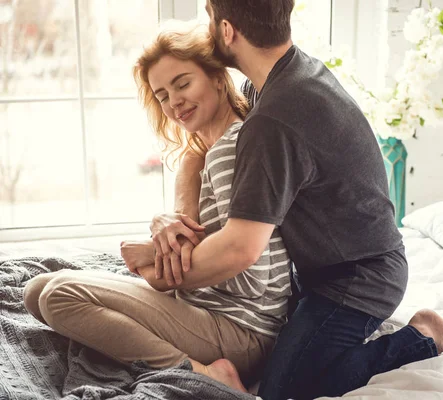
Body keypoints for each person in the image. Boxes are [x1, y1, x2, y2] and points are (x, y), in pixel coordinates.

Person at [140, 2, 443, 399]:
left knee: (282, 392)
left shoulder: (274, 118)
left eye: (210, 18)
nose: (206, 29)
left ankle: (424, 335)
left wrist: (159, 273)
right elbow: (199, 145)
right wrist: (178, 215)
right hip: (321, 270)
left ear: (227, 31)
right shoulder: (281, 76)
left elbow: (240, 250)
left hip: (359, 278)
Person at [22, 21, 291, 392]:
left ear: (217, 77)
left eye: (182, 84)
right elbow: (199, 227)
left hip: (241, 329)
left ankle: (206, 375)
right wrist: (163, 237)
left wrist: (153, 261)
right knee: (36, 289)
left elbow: (251, 274)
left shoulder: (229, 151)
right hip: (207, 313)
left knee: (59, 294)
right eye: (162, 94)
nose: (174, 101)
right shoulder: (209, 150)